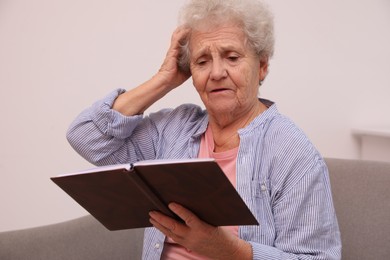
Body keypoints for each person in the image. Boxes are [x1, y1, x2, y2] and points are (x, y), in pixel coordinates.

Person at [67, 0, 341, 259]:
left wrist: (226, 250)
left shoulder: (293, 154)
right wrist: (163, 79)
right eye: (202, 61)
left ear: (262, 66)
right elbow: (86, 136)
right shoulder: (173, 130)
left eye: (232, 57)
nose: (216, 73)